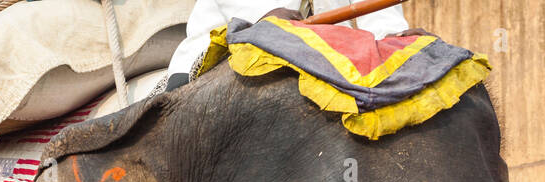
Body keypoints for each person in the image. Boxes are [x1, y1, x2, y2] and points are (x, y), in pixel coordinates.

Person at [166, 0, 411, 89]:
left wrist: (392, 34)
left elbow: (377, 11)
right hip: (228, 45)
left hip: (329, 51)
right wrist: (265, 12)